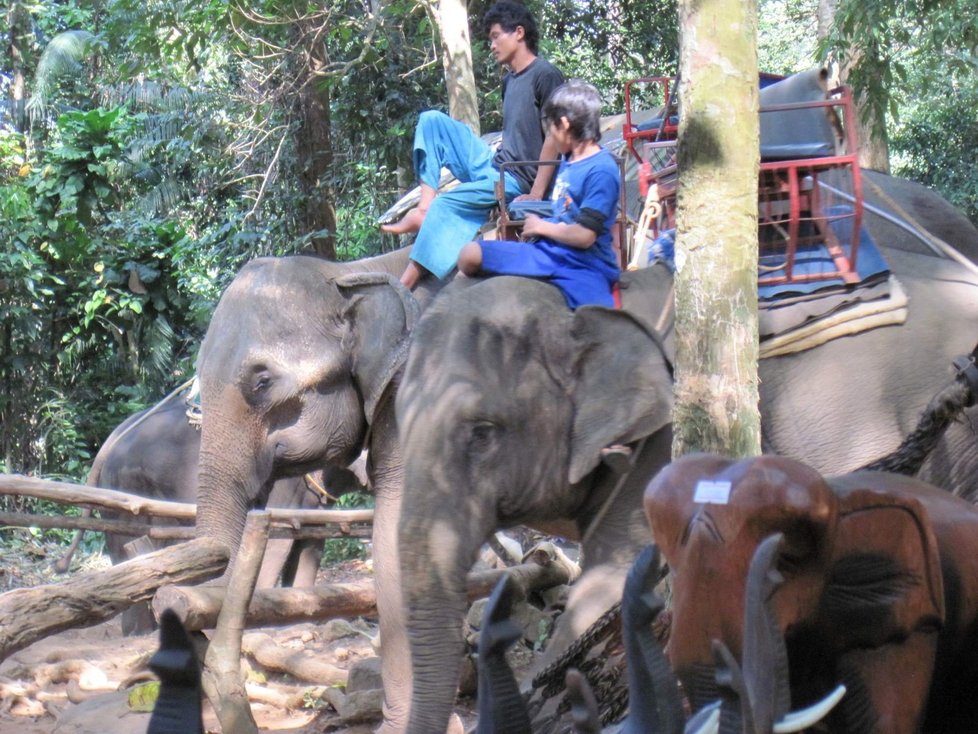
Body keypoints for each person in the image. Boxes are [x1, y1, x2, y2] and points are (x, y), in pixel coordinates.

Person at [381, 1, 564, 289]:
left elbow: (555, 135)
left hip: (516, 178)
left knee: (449, 202)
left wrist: (537, 192)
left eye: (494, 36)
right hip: (494, 164)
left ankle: (405, 285)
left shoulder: (545, 75)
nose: (491, 45)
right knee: (431, 120)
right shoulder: (509, 81)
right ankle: (424, 207)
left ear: (518, 33)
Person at [457, 79, 621, 309]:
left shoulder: (601, 170)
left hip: (583, 265)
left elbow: (585, 236)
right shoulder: (569, 158)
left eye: (551, 130)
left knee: (596, 323)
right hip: (547, 253)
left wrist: (540, 226)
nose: (550, 138)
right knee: (469, 254)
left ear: (564, 125)